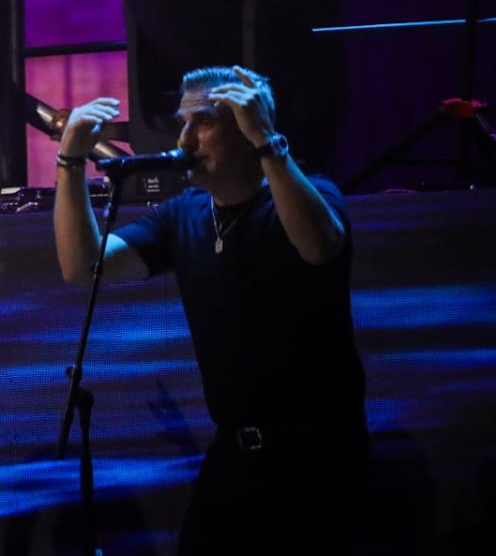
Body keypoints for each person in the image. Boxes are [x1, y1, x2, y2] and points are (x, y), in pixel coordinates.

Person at [52, 67, 366, 554]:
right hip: (235, 451)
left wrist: (267, 141)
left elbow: (320, 247)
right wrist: (69, 163)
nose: (184, 139)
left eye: (203, 122)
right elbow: (83, 266)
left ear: (247, 126)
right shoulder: (185, 214)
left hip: (317, 454)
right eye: (183, 123)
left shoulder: (312, 194)